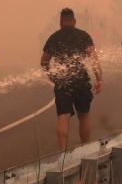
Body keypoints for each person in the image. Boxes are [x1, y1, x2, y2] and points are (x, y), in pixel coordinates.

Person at [41, 8, 102, 151]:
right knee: (84, 116)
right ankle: (85, 149)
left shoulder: (54, 37)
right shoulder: (84, 36)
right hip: (81, 80)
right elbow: (94, 59)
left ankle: (62, 154)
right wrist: (99, 79)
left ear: (61, 22)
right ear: (74, 21)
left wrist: (52, 76)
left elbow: (44, 61)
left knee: (63, 116)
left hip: (62, 81)